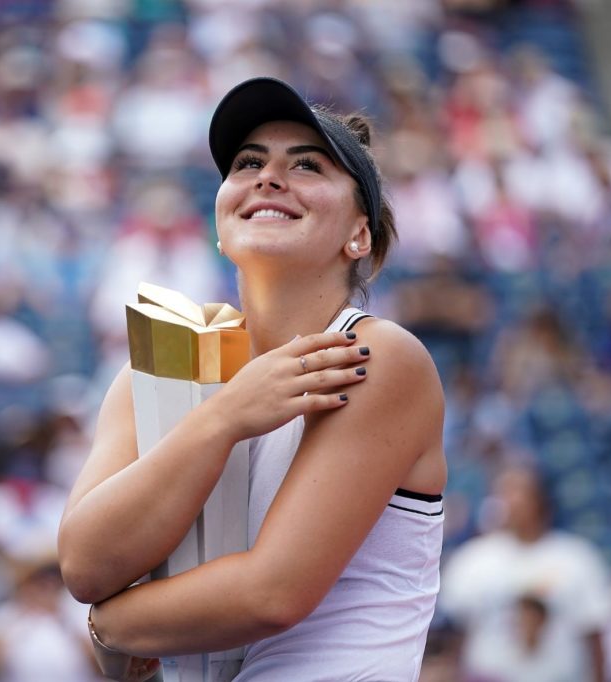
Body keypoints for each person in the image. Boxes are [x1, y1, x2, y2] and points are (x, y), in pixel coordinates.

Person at [58, 76, 447, 681]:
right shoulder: (158, 366)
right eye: (247, 163)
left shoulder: (378, 354)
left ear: (359, 234)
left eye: (308, 166)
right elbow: (84, 563)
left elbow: (272, 594)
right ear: (219, 221)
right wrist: (224, 417)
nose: (268, 177)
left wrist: (107, 624)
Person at [439, 464, 611, 682]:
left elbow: (594, 637)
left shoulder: (577, 558)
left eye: (517, 492)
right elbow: (455, 637)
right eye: (502, 493)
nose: (509, 502)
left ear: (540, 500)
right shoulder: (472, 560)